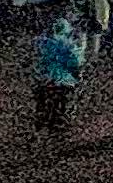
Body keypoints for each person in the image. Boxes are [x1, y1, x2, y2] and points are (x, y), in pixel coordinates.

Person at [30, 13, 87, 142]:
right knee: (60, 108)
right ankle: (58, 134)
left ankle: (39, 132)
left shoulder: (43, 43)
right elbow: (75, 63)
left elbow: (37, 62)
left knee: (43, 107)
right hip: (64, 83)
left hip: (46, 81)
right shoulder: (69, 46)